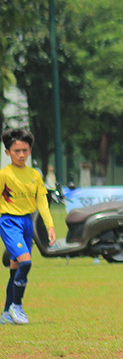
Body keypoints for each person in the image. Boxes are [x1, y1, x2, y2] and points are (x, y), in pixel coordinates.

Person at [0, 128, 56, 325]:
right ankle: (17, 305)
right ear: (7, 152)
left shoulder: (35, 175)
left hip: (27, 223)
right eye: (16, 151)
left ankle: (6, 313)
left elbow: (42, 202)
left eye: (24, 150)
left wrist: (49, 225)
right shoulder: (4, 175)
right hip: (9, 222)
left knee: (15, 269)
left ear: (30, 150)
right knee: (26, 262)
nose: (21, 154)